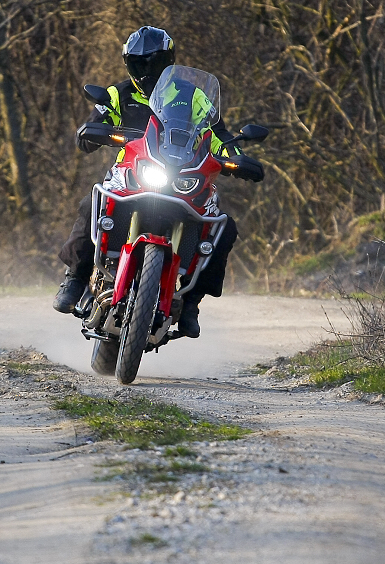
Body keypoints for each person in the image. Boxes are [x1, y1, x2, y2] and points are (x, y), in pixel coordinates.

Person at [53, 25, 264, 338]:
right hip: (130, 175)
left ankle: (191, 302)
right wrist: (91, 131)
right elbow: (91, 129)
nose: (146, 70)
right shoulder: (119, 94)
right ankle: (75, 277)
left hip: (183, 177)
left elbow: (217, 134)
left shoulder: (194, 97)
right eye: (138, 64)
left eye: (153, 63)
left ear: (169, 62)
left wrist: (236, 157)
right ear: (129, 65)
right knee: (90, 204)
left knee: (224, 226)